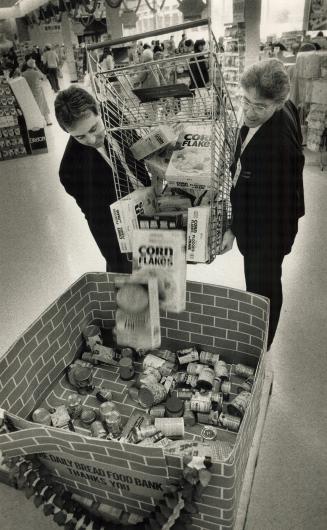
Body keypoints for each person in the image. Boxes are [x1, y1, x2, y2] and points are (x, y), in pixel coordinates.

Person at [221, 59, 305, 349]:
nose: (249, 111)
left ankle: (260, 345)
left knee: (263, 286)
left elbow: (262, 206)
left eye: (259, 107)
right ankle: (258, 332)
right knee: (261, 282)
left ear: (277, 104)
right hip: (268, 213)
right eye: (246, 101)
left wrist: (233, 230)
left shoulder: (277, 151)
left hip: (267, 232)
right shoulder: (285, 108)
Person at [54, 86, 150, 273]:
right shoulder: (70, 170)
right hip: (123, 230)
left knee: (168, 284)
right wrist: (118, 263)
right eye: (80, 136)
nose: (91, 139)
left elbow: (137, 145)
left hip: (150, 205)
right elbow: (98, 220)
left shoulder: (112, 111)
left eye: (94, 128)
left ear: (99, 111)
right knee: (135, 291)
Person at [22, 58, 52, 126]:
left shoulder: (23, 74)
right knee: (43, 106)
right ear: (33, 65)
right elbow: (44, 78)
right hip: (38, 92)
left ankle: (38, 122)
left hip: (30, 93)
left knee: (34, 107)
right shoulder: (36, 73)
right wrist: (37, 68)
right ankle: (48, 121)